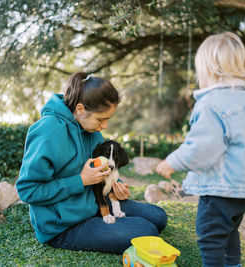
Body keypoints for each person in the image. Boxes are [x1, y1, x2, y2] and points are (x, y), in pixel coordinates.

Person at [156, 32, 245, 267]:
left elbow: (202, 146)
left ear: (211, 71)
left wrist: (173, 161)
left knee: (210, 236)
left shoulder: (212, 104)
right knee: (229, 230)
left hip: (222, 189)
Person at [16, 72, 167, 254]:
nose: (105, 126)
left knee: (158, 217)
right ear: (80, 109)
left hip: (95, 202)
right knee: (146, 230)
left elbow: (101, 167)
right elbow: (27, 190)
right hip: (64, 225)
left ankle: (106, 219)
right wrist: (81, 181)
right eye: (101, 119)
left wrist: (116, 185)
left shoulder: (91, 129)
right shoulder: (47, 132)